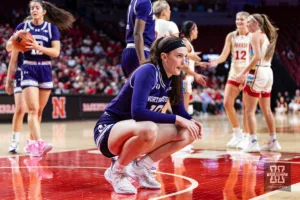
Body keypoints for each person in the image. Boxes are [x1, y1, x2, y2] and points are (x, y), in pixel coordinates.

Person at [94, 36, 203, 194]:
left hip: (138, 132)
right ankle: (117, 171)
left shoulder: (175, 76)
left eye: (185, 57)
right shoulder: (148, 70)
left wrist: (192, 121)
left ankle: (141, 167)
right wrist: (177, 119)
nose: (183, 62)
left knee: (189, 131)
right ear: (164, 56)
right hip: (109, 131)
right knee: (149, 128)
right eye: (179, 56)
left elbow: (179, 110)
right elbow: (138, 112)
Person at [6, 0, 74, 156]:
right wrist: (14, 41)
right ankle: (38, 143)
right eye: (31, 8)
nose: (34, 10)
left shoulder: (52, 29)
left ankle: (31, 144)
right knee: (30, 109)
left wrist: (37, 47)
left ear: (44, 11)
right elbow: (9, 48)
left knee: (39, 112)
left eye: (37, 8)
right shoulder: (22, 28)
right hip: (28, 68)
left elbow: (55, 53)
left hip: (45, 69)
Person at [236, 13, 281, 152]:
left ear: (257, 24)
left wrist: (243, 73)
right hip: (268, 72)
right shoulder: (266, 36)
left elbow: (257, 57)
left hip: (257, 72)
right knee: (266, 110)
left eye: (249, 22)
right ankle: (273, 141)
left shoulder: (254, 35)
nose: (246, 24)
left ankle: (253, 141)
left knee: (249, 110)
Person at [209, 12, 251, 150]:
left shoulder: (253, 36)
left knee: (246, 107)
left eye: (242, 19)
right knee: (227, 103)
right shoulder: (231, 36)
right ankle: (237, 133)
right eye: (237, 19)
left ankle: (246, 136)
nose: (239, 21)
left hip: (248, 74)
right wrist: (216, 61)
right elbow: (224, 55)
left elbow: (256, 58)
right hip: (234, 73)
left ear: (248, 21)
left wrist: (248, 73)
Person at [5, 16, 32, 154]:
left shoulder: (42, 38)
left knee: (35, 111)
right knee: (20, 109)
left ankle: (33, 143)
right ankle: (14, 141)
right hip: (22, 73)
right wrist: (8, 80)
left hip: (37, 74)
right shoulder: (20, 37)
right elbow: (12, 59)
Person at [121, 0, 155, 78]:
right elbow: (137, 33)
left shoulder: (134, 1)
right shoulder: (145, 2)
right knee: (144, 88)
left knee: (132, 89)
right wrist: (142, 61)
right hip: (140, 51)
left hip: (130, 50)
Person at [180, 21, 208, 114]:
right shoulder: (185, 42)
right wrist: (193, 56)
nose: (197, 32)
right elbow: (181, 60)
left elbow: (186, 59)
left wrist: (197, 63)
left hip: (186, 79)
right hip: (184, 79)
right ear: (192, 31)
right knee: (184, 112)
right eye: (196, 30)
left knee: (187, 110)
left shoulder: (186, 42)